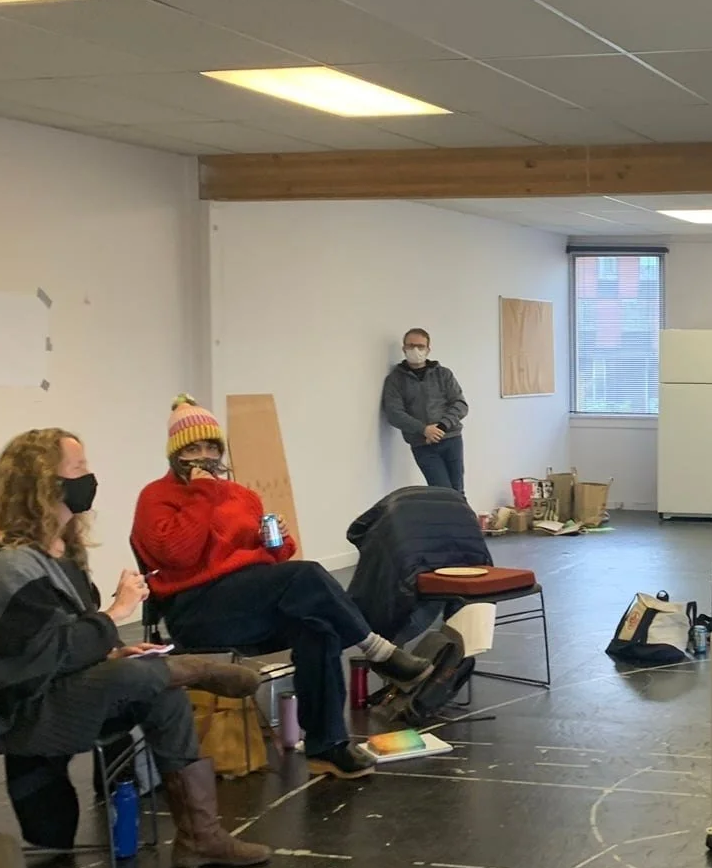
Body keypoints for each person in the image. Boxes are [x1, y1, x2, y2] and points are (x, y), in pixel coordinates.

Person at [0, 428, 269, 868]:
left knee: (160, 690)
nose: (89, 478)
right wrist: (115, 614)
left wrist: (113, 651)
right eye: (78, 470)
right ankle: (196, 669)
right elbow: (37, 660)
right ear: (43, 484)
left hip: (53, 691)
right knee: (140, 676)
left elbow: (63, 645)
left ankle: (200, 836)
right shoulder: (6, 564)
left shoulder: (56, 553)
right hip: (13, 711)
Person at [131, 396, 432, 781]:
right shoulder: (156, 498)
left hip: (249, 599)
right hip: (197, 608)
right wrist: (202, 496)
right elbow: (177, 553)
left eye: (210, 447)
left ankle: (328, 746)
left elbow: (265, 559)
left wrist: (276, 544)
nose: (204, 456)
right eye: (192, 449)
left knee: (317, 625)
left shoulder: (241, 495)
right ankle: (378, 650)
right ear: (176, 455)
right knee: (306, 576)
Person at [381, 328, 468, 492]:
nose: (416, 350)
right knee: (441, 492)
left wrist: (441, 427)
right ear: (404, 348)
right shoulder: (395, 380)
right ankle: (448, 518)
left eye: (420, 346)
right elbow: (394, 414)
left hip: (451, 439)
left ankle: (463, 518)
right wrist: (424, 430)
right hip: (423, 445)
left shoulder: (443, 374)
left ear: (428, 349)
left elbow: (460, 405)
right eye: (411, 345)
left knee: (458, 490)